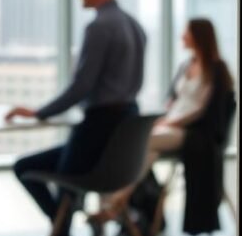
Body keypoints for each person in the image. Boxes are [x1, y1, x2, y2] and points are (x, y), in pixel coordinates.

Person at [6, 0, 146, 236]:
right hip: (122, 132)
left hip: (98, 131)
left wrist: (38, 113)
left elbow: (81, 86)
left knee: (25, 167)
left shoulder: (99, 27)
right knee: (62, 166)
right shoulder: (135, 26)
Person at [95, 18, 233, 225]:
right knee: (148, 151)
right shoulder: (186, 65)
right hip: (170, 126)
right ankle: (120, 201)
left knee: (144, 140)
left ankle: (115, 199)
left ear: (198, 36)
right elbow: (173, 101)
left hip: (192, 132)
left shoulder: (216, 69)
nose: (182, 36)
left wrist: (170, 124)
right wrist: (162, 120)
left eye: (187, 32)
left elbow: (201, 110)